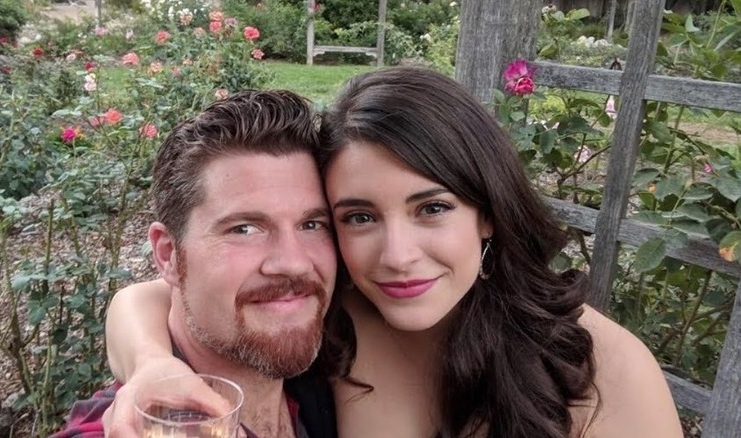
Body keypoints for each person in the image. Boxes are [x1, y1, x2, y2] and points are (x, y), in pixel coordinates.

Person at [103, 67, 682, 437]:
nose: (397, 256)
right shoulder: (343, 313)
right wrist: (152, 364)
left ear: (486, 213)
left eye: (432, 208)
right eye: (359, 217)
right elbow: (152, 295)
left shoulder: (595, 365)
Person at [52, 90, 339, 438]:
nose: (294, 263)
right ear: (168, 254)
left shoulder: (336, 380)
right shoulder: (129, 428)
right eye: (244, 229)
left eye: (312, 224)